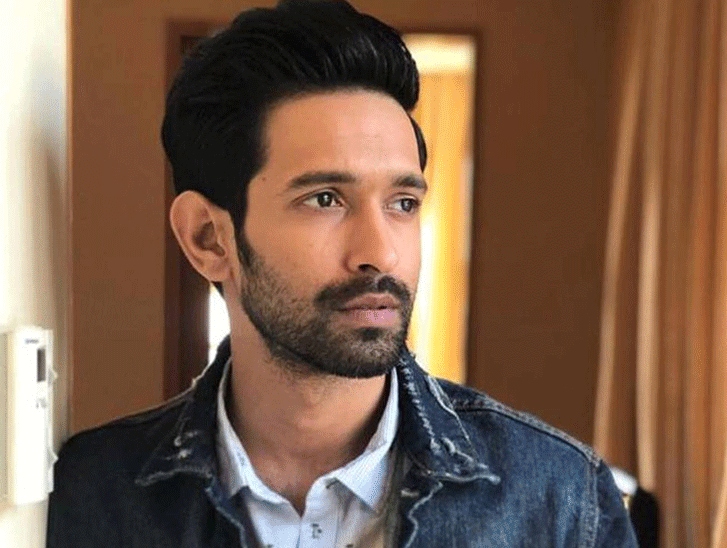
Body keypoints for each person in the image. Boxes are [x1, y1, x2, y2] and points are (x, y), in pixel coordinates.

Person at [46, 1, 638, 546]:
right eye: (325, 199)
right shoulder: (93, 495)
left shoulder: (561, 502)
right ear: (208, 238)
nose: (380, 253)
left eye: (403, 203)